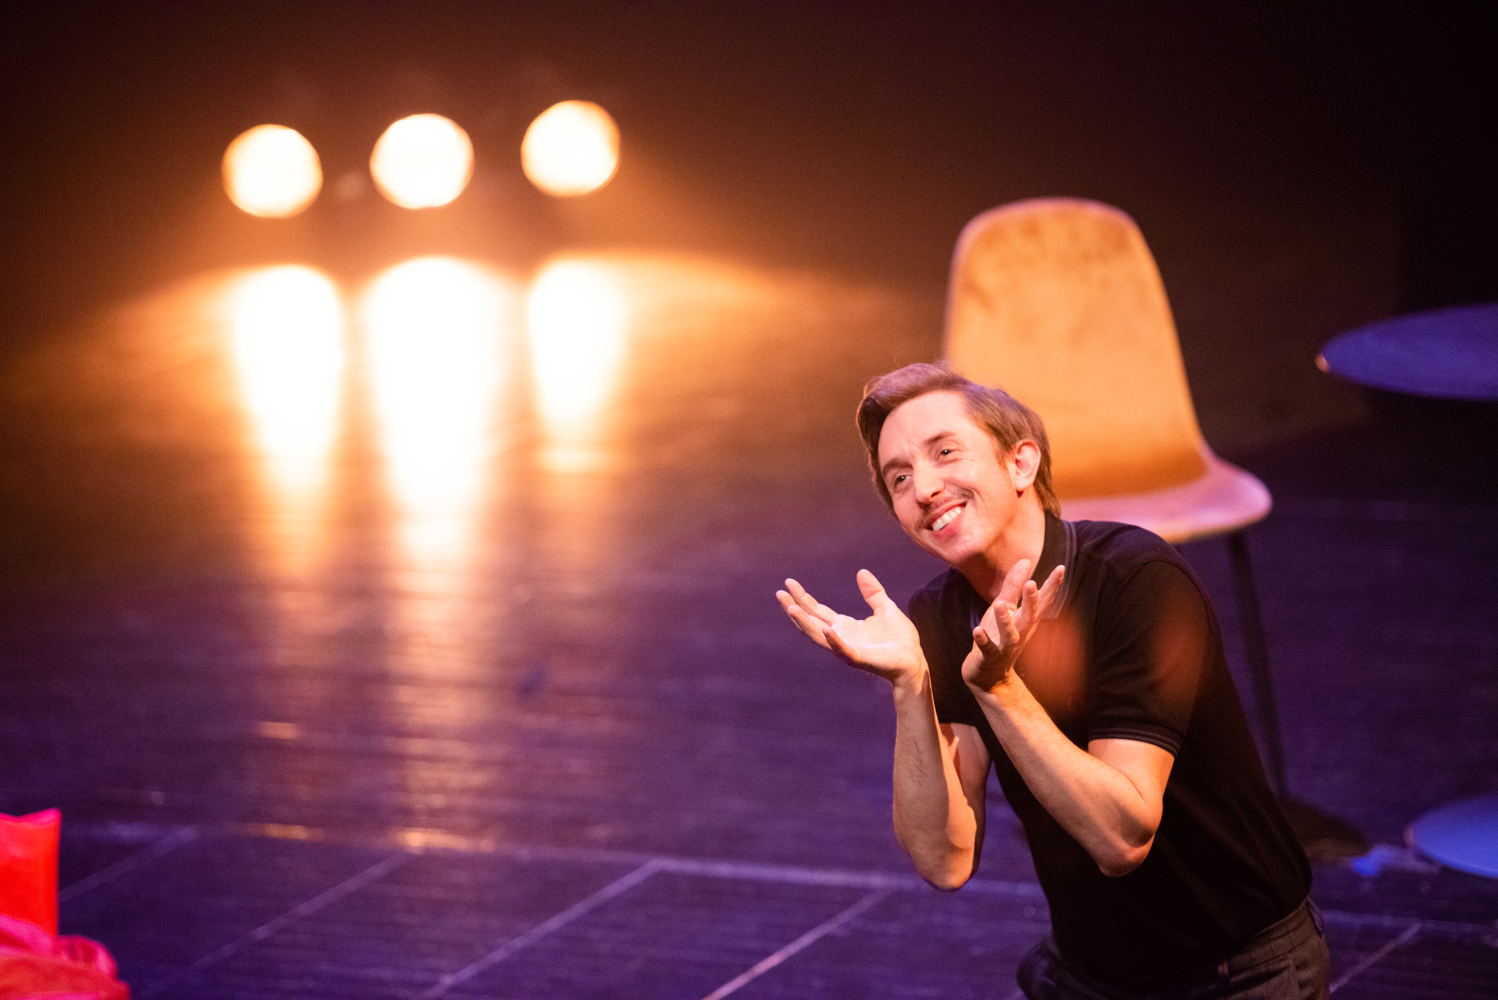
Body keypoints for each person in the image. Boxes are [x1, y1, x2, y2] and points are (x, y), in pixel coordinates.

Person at [776, 363, 1329, 999]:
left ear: (1020, 463)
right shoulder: (941, 614)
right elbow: (946, 860)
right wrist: (910, 686)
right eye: (899, 478)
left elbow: (1123, 837)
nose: (924, 488)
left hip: (1239, 970)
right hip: (1090, 970)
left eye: (945, 452)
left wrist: (998, 688)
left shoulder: (1136, 580)